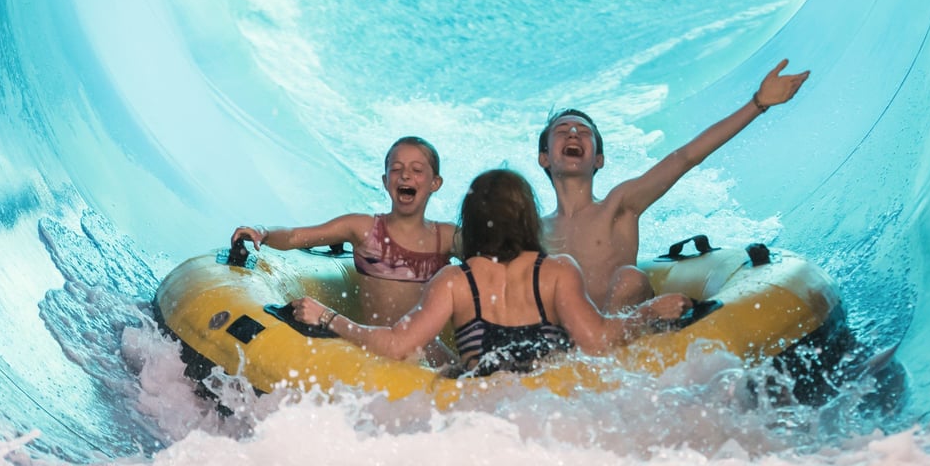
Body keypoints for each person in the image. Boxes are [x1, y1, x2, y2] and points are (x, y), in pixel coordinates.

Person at [289, 169, 690, 376]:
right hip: (550, 394)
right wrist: (649, 313)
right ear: (528, 218)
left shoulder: (454, 280)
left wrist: (329, 318)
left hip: (481, 402)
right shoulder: (557, 271)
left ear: (473, 221)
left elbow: (396, 344)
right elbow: (598, 340)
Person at [537, 59, 811, 313]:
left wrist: (758, 103)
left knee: (630, 278)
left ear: (599, 159)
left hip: (624, 328)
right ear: (544, 157)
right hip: (568, 343)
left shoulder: (618, 205)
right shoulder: (533, 230)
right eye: (562, 131)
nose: (573, 133)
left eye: (583, 132)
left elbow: (685, 157)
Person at [232, 136, 457, 330]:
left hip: (428, 354)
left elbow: (488, 261)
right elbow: (295, 236)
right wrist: (264, 233)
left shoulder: (446, 237)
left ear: (435, 183)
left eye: (416, 170)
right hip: (375, 344)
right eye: (396, 169)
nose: (405, 176)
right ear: (385, 180)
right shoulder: (363, 228)